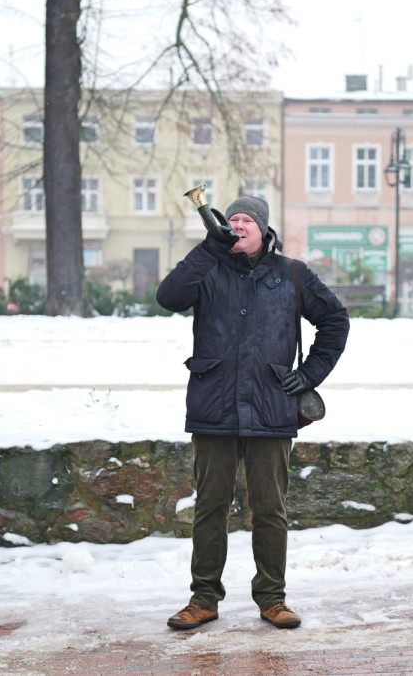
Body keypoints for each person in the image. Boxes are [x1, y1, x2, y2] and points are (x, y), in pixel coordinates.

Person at [157, 196, 349, 630]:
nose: (239, 224)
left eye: (248, 220)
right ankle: (203, 599)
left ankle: (272, 598)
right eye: (233, 219)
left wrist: (311, 373)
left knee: (269, 509)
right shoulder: (208, 267)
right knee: (209, 507)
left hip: (270, 407)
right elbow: (167, 298)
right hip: (214, 407)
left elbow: (335, 320)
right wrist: (209, 248)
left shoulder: (292, 275)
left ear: (264, 230)